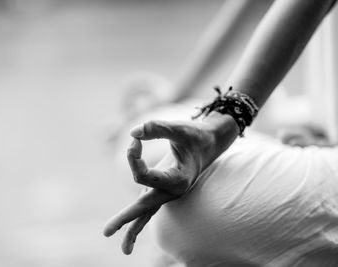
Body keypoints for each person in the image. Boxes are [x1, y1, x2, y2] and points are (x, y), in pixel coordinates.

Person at [104, 0, 338, 264]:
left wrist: (221, 125)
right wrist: (179, 96)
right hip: (319, 119)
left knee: (187, 221)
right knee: (151, 144)